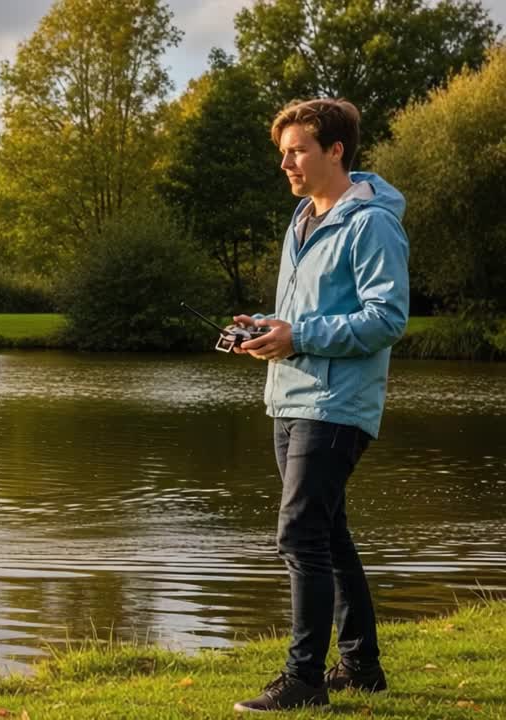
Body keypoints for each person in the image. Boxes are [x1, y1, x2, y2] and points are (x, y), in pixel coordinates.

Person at [230, 98, 410, 712]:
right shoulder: (303, 218)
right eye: (283, 152)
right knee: (327, 534)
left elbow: (387, 318)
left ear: (335, 150)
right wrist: (267, 328)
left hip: (337, 403)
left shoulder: (372, 223)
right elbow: (305, 315)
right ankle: (361, 666)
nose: (286, 163)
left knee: (299, 533)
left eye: (297, 149)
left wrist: (298, 336)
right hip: (290, 395)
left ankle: (303, 678)